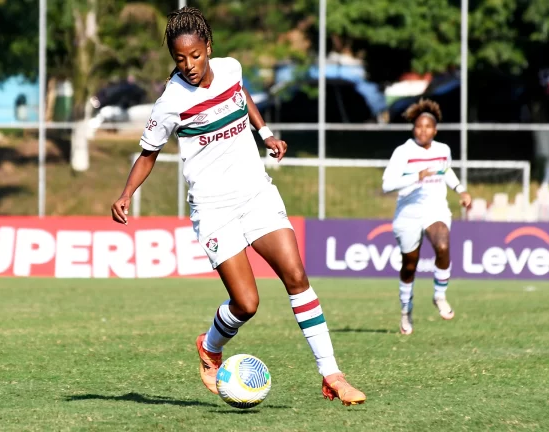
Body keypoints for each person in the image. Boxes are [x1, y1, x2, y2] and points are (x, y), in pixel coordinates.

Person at [111, 6, 366, 406]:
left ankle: (332, 374)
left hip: (256, 194)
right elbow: (148, 154)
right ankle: (211, 346)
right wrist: (126, 194)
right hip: (213, 209)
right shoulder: (170, 102)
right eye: (180, 59)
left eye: (195, 55)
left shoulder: (230, 68)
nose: (189, 65)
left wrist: (265, 133)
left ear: (208, 48)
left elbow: (241, 94)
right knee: (247, 303)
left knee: (296, 275)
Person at [381, 99, 473, 335]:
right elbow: (387, 185)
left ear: (435, 129)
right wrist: (416, 176)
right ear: (413, 128)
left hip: (435, 209)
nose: (423, 131)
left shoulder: (443, 150)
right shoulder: (403, 152)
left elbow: (446, 170)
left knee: (443, 245)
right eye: (418, 126)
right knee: (410, 265)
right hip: (409, 213)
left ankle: (439, 296)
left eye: (427, 127)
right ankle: (405, 310)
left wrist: (460, 190)